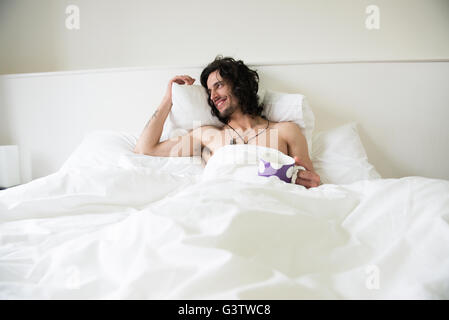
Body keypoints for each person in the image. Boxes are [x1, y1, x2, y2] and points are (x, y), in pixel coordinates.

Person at [134, 56, 321, 188]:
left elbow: (311, 183)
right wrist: (169, 97)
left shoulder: (286, 131)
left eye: (219, 85)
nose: (213, 96)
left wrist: (305, 180)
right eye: (209, 91)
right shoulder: (208, 135)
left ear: (240, 85)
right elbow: (145, 148)